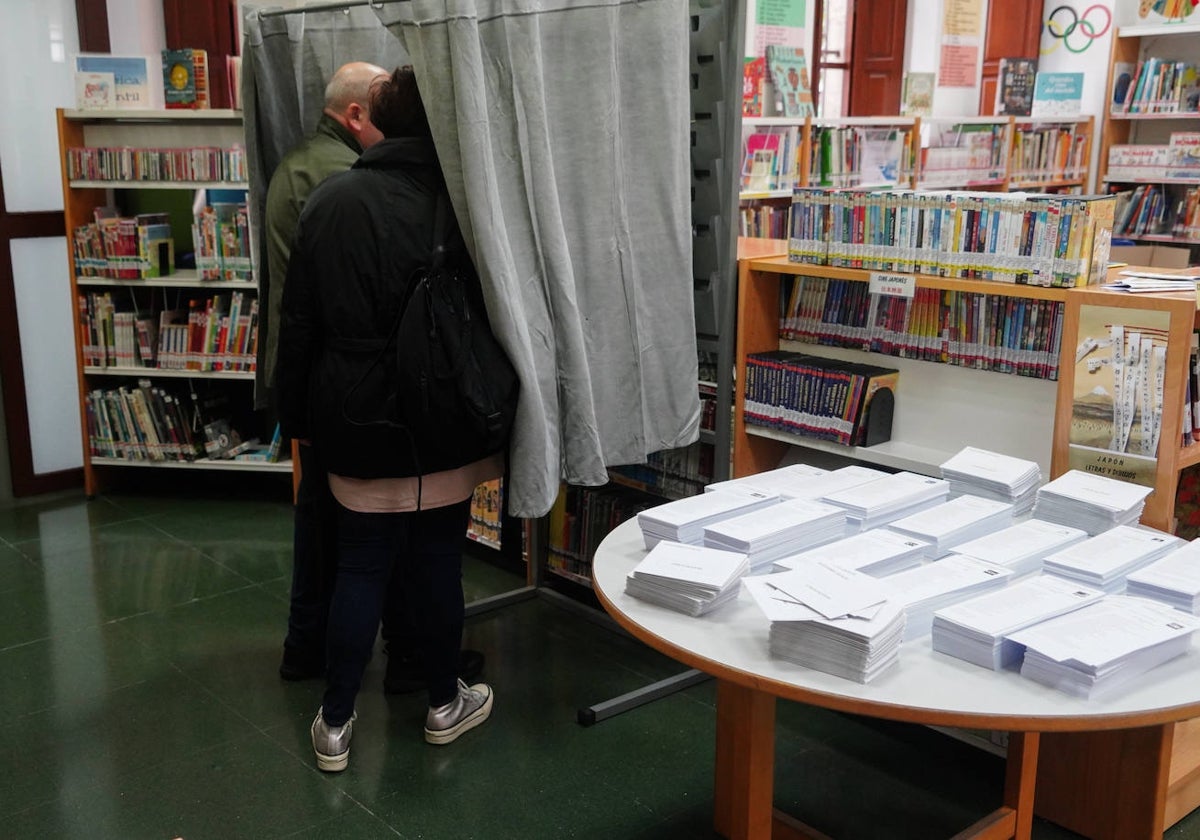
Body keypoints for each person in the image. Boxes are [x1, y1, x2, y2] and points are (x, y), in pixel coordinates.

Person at [276, 66, 501, 772]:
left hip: (352, 408)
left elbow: (300, 322)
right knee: (437, 560)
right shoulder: (463, 204)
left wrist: (295, 417)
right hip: (443, 411)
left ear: (372, 120)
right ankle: (443, 703)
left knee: (361, 565)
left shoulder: (331, 200)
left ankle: (336, 723)